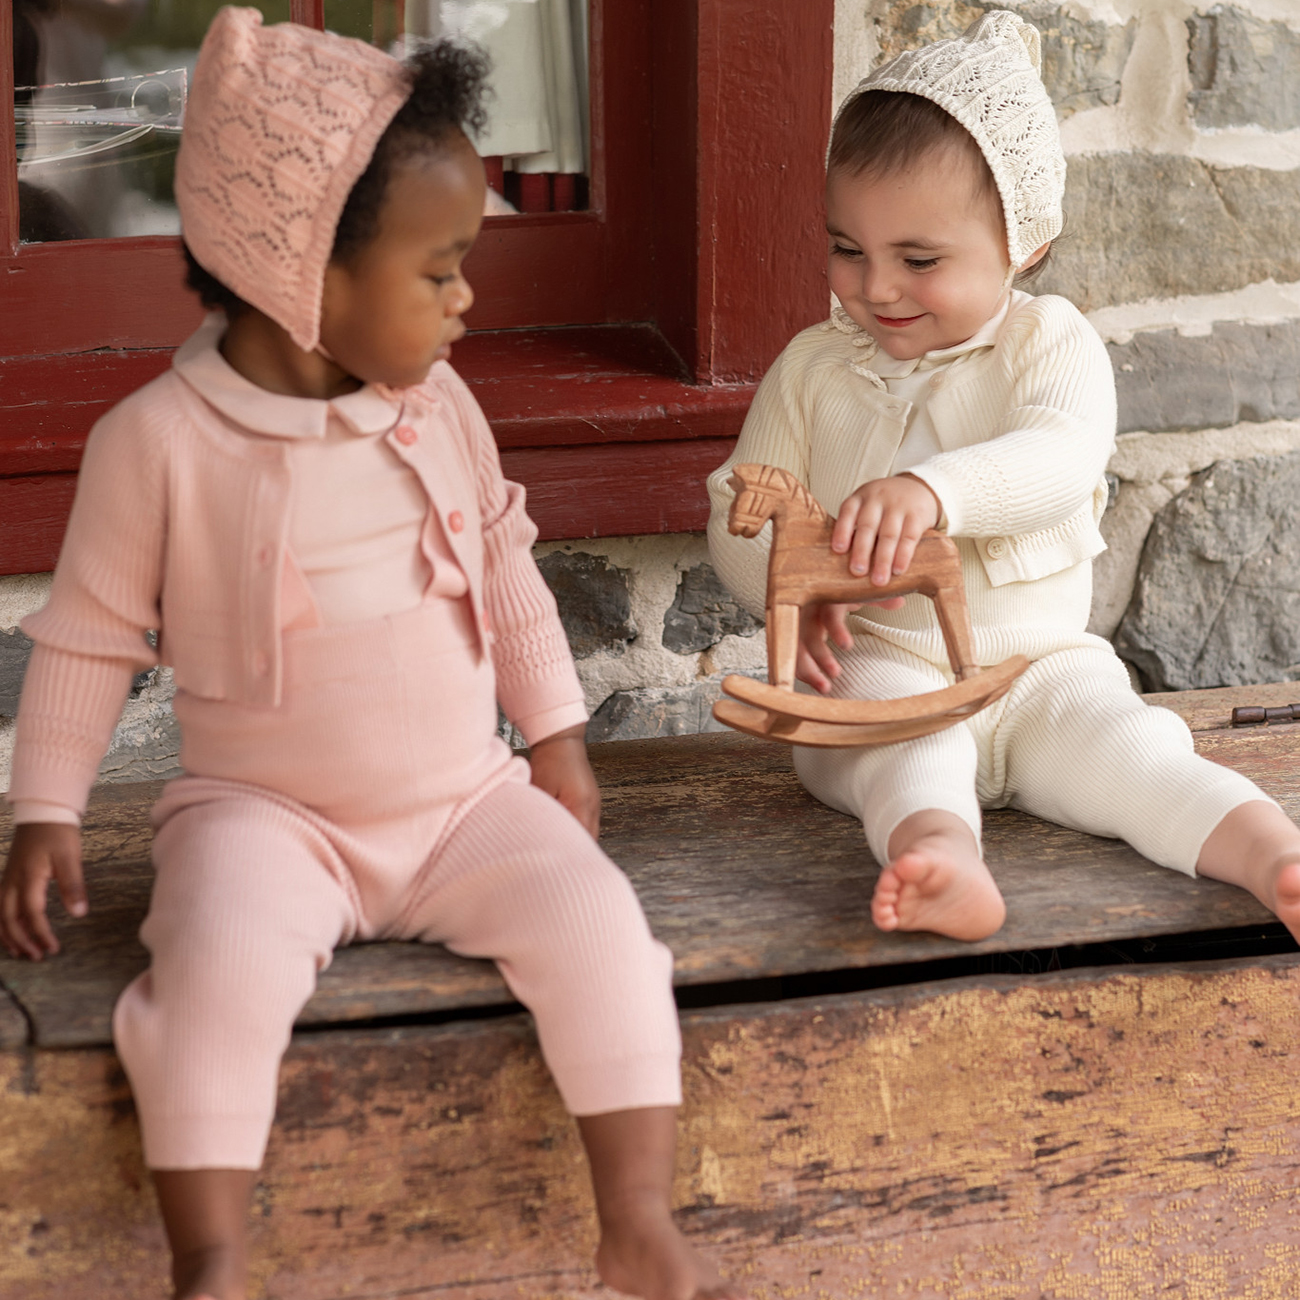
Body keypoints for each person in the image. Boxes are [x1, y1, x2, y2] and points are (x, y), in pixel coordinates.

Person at [0, 11, 745, 1300]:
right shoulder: (158, 443)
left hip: (464, 806)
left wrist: (556, 736)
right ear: (306, 276)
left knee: (601, 930)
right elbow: (86, 633)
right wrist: (46, 810)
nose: (468, 299)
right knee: (213, 973)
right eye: (440, 269)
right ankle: (211, 1256)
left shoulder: (440, 407)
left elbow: (503, 565)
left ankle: (636, 1217)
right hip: (266, 818)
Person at [707, 10, 1300, 947]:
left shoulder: (1047, 342)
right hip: (882, 659)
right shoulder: (811, 369)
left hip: (1040, 664)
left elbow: (1061, 454)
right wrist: (791, 587)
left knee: (1131, 749)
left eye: (919, 259)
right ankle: (941, 858)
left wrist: (936, 490)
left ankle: (1271, 853)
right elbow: (739, 499)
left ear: (1023, 244)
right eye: (848, 248)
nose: (876, 287)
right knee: (895, 747)